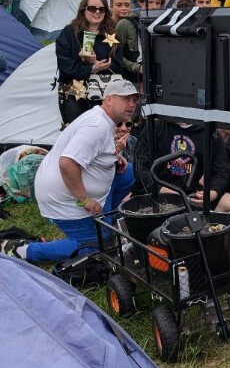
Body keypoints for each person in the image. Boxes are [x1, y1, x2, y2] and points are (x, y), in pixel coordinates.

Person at [11, 81, 138, 263]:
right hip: (65, 198)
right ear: (109, 100)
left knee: (130, 174)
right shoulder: (97, 125)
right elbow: (67, 162)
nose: (132, 104)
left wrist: (113, 159)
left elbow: (92, 152)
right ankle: (24, 251)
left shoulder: (103, 119)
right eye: (126, 99)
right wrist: (84, 199)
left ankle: (107, 223)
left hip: (75, 187)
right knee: (94, 247)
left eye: (134, 99)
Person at [56, 0, 123, 127]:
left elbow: (118, 66)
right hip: (74, 90)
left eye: (101, 9)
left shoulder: (111, 35)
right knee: (75, 131)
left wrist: (96, 64)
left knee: (102, 131)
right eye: (92, 8)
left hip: (103, 91)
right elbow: (65, 66)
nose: (97, 12)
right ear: (83, 10)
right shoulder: (70, 32)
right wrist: (91, 68)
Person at [115, 0, 164, 83]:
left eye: (158, 3)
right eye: (150, 2)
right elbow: (116, 54)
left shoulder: (165, 24)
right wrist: (137, 68)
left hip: (157, 77)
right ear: (140, 2)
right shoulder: (126, 23)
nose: (154, 7)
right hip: (132, 80)